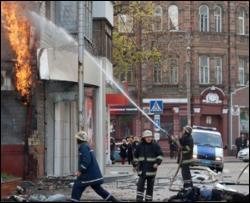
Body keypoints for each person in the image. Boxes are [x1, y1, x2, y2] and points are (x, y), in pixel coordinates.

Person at [71, 131, 119, 202]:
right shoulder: (86, 146)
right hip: (92, 175)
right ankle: (113, 200)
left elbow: (86, 161)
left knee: (77, 187)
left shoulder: (83, 147)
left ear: (80, 139)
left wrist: (80, 170)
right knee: (99, 189)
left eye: (77, 138)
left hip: (87, 175)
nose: (76, 140)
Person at [133, 130, 163, 202]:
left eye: (150, 137)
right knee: (140, 186)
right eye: (147, 137)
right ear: (144, 138)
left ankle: (148, 200)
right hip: (142, 170)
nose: (149, 138)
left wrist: (157, 163)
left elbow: (160, 155)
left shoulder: (155, 145)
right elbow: (135, 156)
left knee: (150, 187)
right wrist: (135, 165)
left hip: (151, 170)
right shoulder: (140, 145)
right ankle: (139, 199)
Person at [175, 125, 194, 191]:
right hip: (183, 159)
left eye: (184, 130)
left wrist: (181, 147)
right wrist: (175, 139)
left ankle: (187, 187)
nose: (182, 131)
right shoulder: (185, 137)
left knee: (185, 174)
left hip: (186, 159)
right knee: (186, 173)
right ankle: (189, 186)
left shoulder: (189, 139)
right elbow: (180, 141)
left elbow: (188, 148)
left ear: (186, 131)